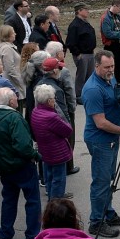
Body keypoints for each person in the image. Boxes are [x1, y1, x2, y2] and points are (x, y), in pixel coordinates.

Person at [81, 51, 120, 238]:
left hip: (110, 140)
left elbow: (115, 96)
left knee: (109, 178)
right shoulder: (92, 89)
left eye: (112, 66)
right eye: (107, 67)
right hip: (100, 141)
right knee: (101, 182)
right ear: (96, 66)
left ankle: (108, 213)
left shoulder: (109, 79)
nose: (111, 70)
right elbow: (100, 122)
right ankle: (96, 222)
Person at [0, 87, 43, 239]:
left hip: (3, 166)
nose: (18, 99)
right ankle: (32, 236)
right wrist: (36, 155)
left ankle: (5, 234)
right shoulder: (14, 118)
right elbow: (23, 146)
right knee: (32, 201)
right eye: (16, 97)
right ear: (11, 101)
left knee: (9, 200)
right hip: (21, 166)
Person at [31, 84, 73, 200]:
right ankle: (56, 204)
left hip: (45, 151)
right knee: (58, 180)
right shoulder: (51, 116)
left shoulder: (35, 111)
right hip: (57, 152)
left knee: (49, 177)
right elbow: (68, 130)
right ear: (49, 101)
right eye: (54, 98)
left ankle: (51, 199)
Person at [43, 42, 79, 175]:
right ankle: (69, 165)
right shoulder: (63, 70)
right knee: (69, 137)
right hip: (64, 109)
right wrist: (72, 107)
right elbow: (69, 90)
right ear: (58, 53)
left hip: (52, 110)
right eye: (62, 51)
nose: (64, 52)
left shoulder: (45, 66)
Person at [66, 2, 97, 99]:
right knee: (81, 76)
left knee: (90, 75)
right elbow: (70, 42)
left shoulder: (86, 23)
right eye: (85, 9)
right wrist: (77, 54)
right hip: (82, 54)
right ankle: (79, 95)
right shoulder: (74, 25)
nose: (88, 11)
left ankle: (88, 93)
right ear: (79, 11)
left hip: (90, 53)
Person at [100, 0, 120, 80]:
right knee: (112, 67)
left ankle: (118, 82)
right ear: (115, 6)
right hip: (111, 46)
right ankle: (112, 83)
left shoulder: (119, 17)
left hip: (119, 44)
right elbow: (108, 34)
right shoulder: (105, 18)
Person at [0, 25, 25, 95]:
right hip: (14, 83)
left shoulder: (4, 46)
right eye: (13, 33)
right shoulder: (7, 49)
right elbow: (10, 68)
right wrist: (21, 81)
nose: (15, 34)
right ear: (7, 35)